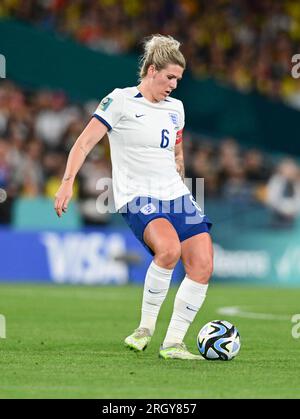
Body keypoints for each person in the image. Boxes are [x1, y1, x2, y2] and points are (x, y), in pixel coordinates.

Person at [54, 35, 213, 360]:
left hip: (175, 193)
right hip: (137, 194)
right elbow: (84, 143)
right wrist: (67, 182)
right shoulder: (120, 101)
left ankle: (173, 344)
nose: (174, 85)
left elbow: (177, 151)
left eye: (178, 79)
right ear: (152, 70)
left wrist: (181, 182)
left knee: (203, 264)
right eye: (170, 77)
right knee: (168, 250)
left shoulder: (176, 109)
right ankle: (145, 328)